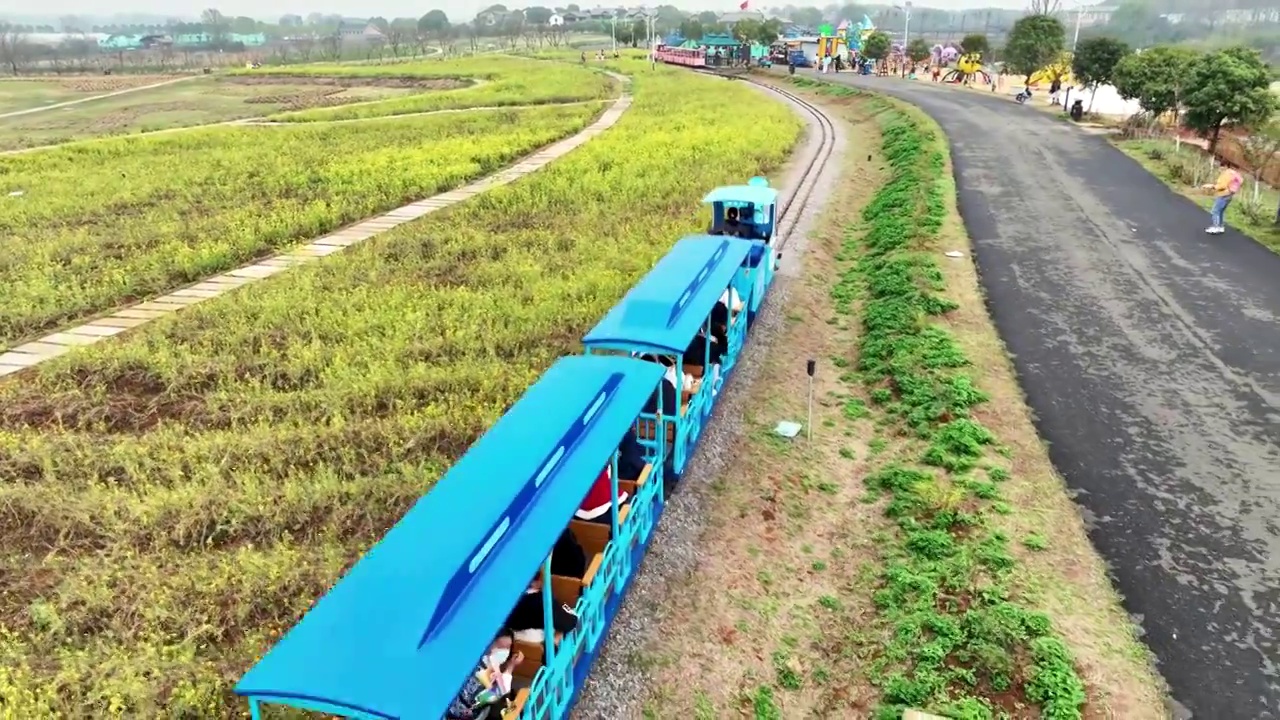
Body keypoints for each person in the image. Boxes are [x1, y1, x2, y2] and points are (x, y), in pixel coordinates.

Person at [445, 629, 524, 719]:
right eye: (500, 647)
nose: (504, 652)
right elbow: (496, 693)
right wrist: (510, 667)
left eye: (507, 648)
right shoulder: (480, 674)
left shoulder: (475, 658)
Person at [507, 571, 579, 644]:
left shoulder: (508, 598)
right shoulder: (542, 600)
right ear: (536, 583)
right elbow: (569, 623)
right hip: (534, 641)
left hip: (512, 636)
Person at [1202, 166, 1243, 234]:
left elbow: (1222, 185)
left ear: (1224, 166)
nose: (1219, 169)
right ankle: (1220, 227)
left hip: (1223, 194)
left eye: (1220, 167)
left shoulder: (1226, 174)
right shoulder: (1233, 173)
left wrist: (1212, 186)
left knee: (1215, 211)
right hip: (1229, 194)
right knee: (1221, 211)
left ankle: (1215, 227)